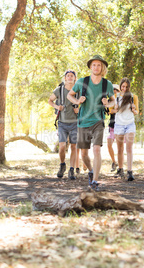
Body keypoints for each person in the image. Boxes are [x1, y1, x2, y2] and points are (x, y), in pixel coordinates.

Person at [67, 55, 115, 191]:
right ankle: (91, 170)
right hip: (83, 122)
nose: (96, 67)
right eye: (94, 65)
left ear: (102, 67)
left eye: (99, 65)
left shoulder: (107, 84)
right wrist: (77, 101)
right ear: (90, 67)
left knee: (97, 149)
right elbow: (69, 95)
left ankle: (95, 181)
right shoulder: (82, 82)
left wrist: (108, 103)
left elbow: (113, 101)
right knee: (83, 154)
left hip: (98, 121)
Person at [48, 69, 78, 180]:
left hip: (75, 123)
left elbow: (84, 104)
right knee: (62, 146)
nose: (70, 77)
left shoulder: (78, 90)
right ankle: (62, 165)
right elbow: (50, 100)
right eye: (68, 76)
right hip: (62, 123)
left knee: (74, 146)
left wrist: (78, 109)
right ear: (65, 78)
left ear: (75, 78)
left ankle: (72, 170)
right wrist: (57, 107)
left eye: (72, 76)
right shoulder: (59, 90)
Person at [114, 77, 139, 182]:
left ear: (129, 87)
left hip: (130, 124)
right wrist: (115, 107)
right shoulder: (116, 97)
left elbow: (137, 112)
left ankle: (130, 172)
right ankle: (120, 169)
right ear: (120, 87)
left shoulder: (133, 97)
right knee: (120, 149)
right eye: (123, 86)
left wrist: (134, 109)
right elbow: (112, 110)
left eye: (126, 87)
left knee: (129, 148)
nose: (124, 88)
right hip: (119, 124)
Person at [107, 84, 120, 172]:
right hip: (112, 125)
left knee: (120, 146)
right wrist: (116, 110)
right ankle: (114, 162)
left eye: (116, 90)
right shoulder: (110, 100)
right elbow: (109, 111)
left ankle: (120, 165)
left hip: (120, 125)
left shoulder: (121, 99)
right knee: (109, 144)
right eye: (113, 90)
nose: (114, 91)